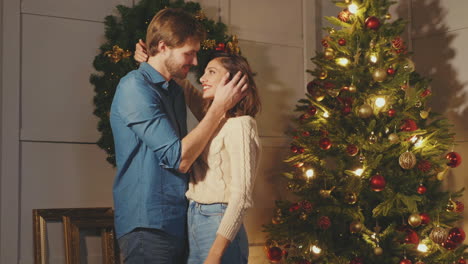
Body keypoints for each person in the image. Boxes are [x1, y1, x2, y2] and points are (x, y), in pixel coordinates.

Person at [110, 8, 248, 264]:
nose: (195, 62)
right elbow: (179, 159)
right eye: (189, 53)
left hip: (180, 222)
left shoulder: (174, 90)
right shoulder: (133, 87)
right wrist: (219, 107)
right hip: (147, 227)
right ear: (163, 46)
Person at [135, 44, 261, 264]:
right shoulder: (213, 117)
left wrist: (215, 254)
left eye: (211, 72)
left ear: (234, 81)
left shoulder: (241, 125)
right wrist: (148, 59)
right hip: (195, 217)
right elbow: (182, 83)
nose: (202, 78)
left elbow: (240, 198)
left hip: (219, 223)